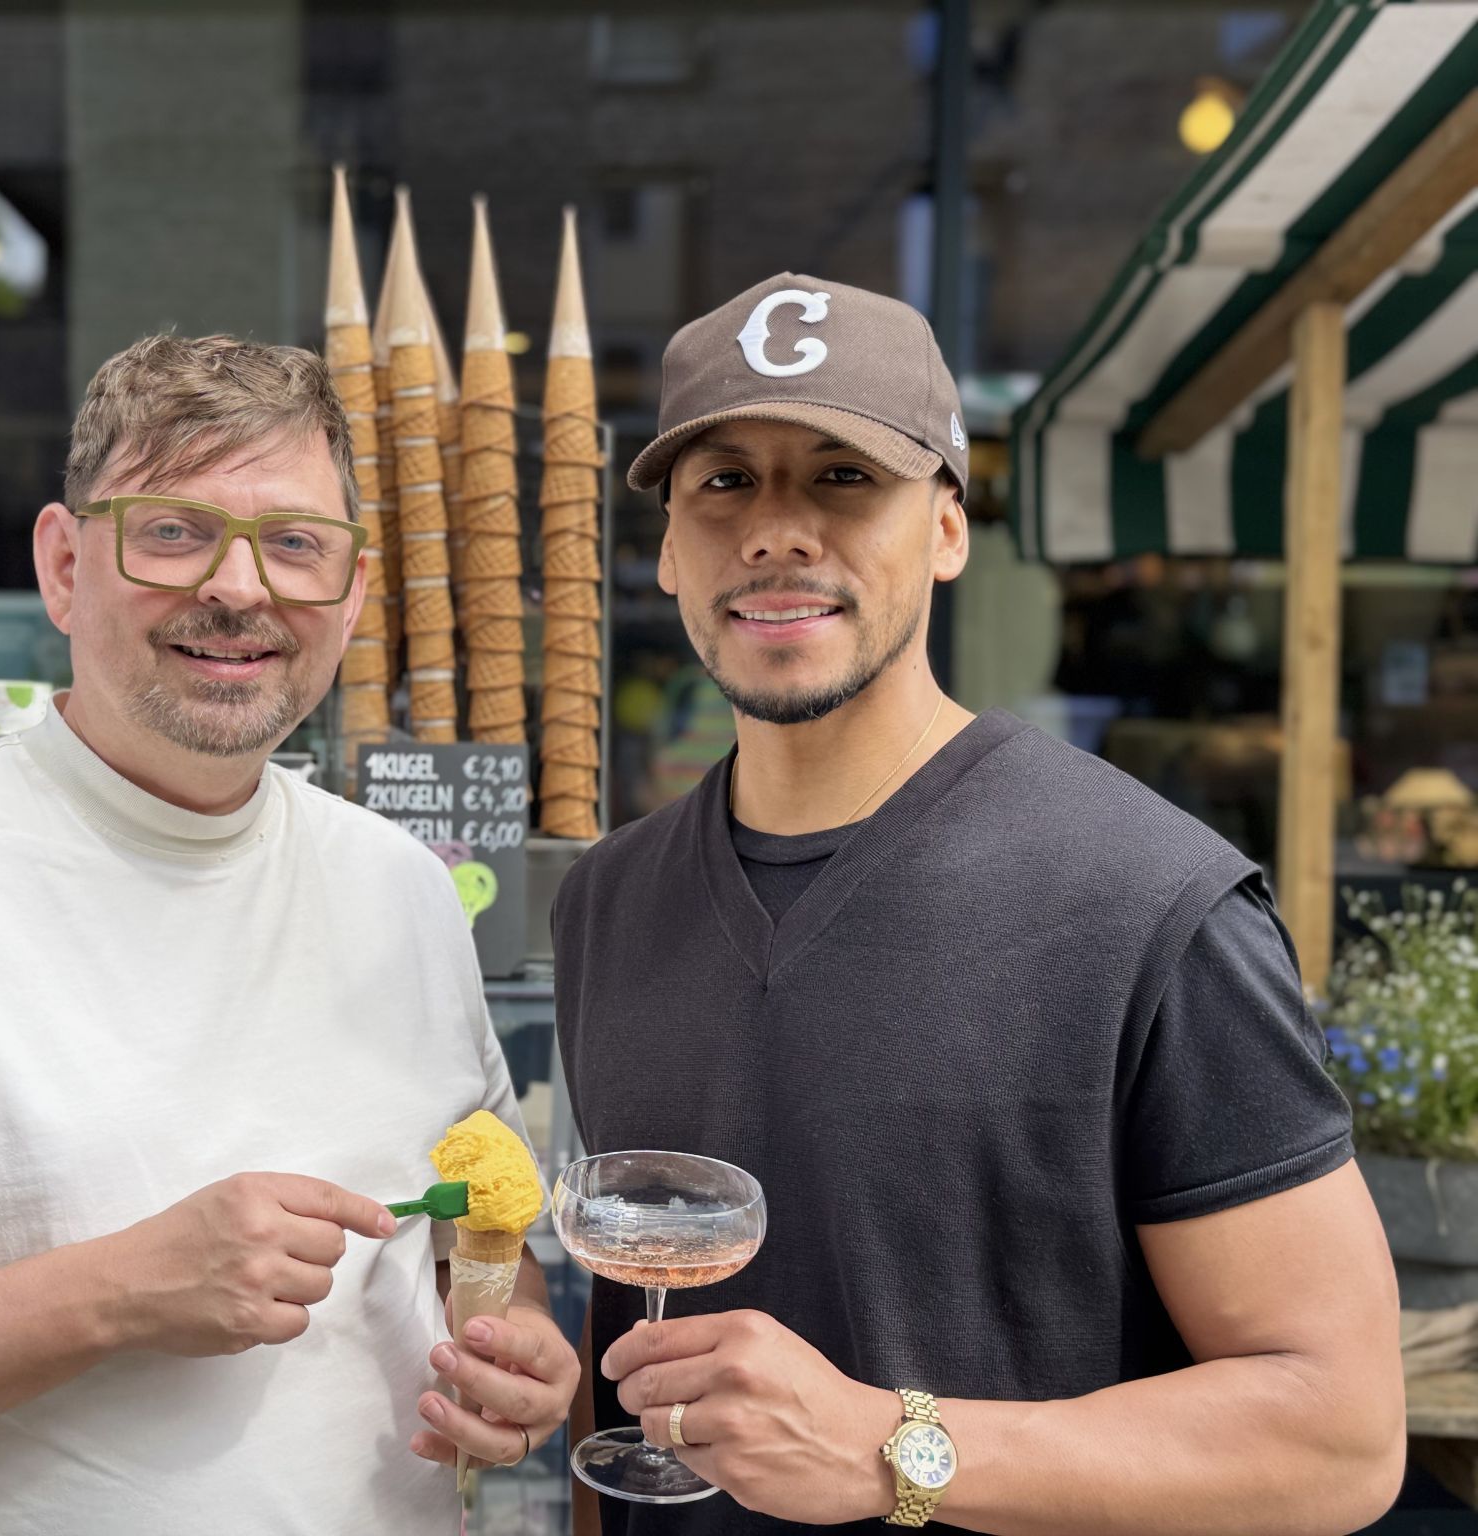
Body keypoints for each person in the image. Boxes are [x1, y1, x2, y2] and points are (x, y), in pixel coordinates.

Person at [0, 334, 577, 1534]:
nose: (239, 589)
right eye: (173, 531)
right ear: (64, 565)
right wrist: (119, 1293)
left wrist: (516, 1336)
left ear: (349, 591)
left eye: (294, 544)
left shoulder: (405, 887)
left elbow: (461, 1235)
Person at [553, 276, 1404, 1535]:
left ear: (946, 529)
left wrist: (890, 1448)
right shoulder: (606, 900)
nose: (775, 530)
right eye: (723, 481)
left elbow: (1336, 1435)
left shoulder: (1145, 900)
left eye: (843, 477)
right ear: (669, 546)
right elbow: (631, 1356)